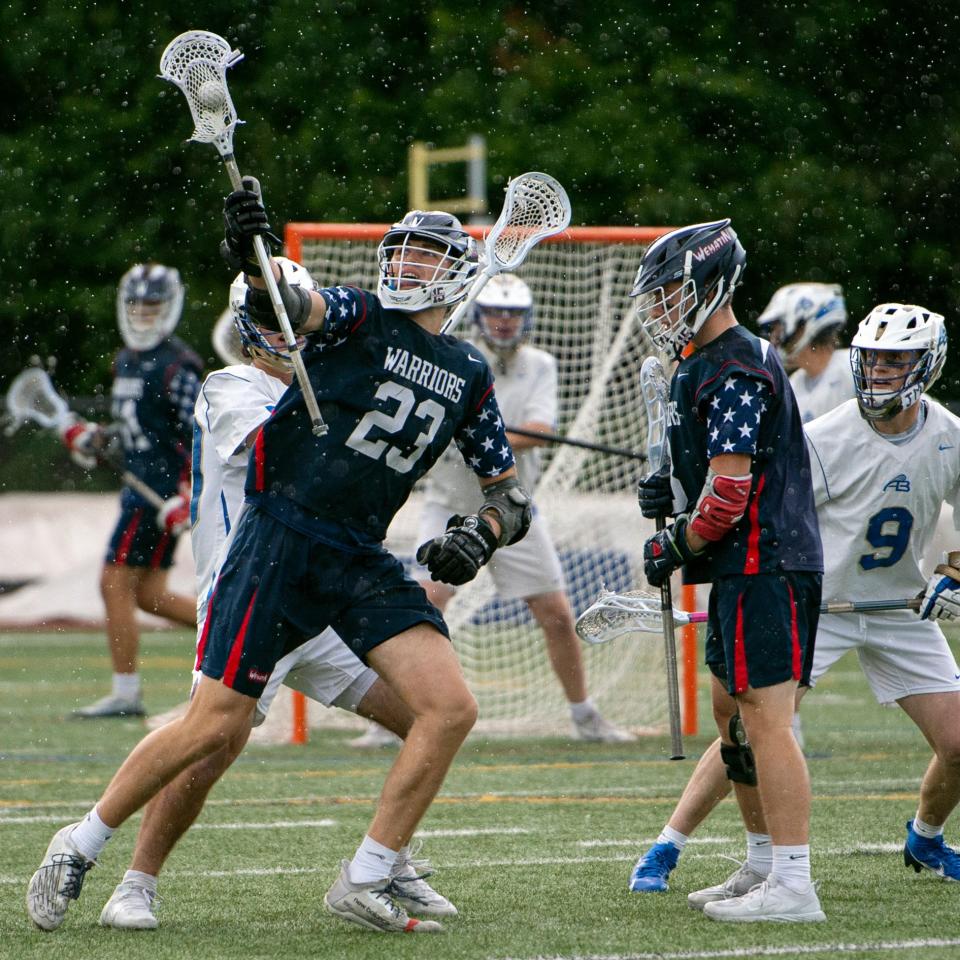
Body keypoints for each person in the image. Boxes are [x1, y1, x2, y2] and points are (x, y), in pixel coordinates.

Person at [27, 190, 532, 935]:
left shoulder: (465, 369)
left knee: (446, 708)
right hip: (274, 550)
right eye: (400, 249)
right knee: (214, 730)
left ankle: (372, 870)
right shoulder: (349, 325)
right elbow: (298, 305)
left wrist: (481, 534)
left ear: (455, 273)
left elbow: (509, 495)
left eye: (423, 254)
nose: (404, 264)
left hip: (355, 556)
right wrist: (257, 264)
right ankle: (83, 845)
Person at [98, 260, 454, 930]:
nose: (285, 333)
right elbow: (289, 455)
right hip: (251, 595)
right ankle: (134, 882)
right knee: (210, 748)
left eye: (292, 319)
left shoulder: (331, 382)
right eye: (272, 321)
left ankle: (385, 863)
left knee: (421, 718)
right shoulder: (232, 386)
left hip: (320, 602)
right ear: (249, 327)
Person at [629, 302, 960, 905]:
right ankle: (669, 843)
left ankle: (927, 837)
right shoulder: (826, 436)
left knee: (959, 745)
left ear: (928, 364)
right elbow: (763, 506)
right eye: (874, 358)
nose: (883, 371)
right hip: (819, 605)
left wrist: (955, 571)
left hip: (896, 611)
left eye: (897, 359)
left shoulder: (950, 437)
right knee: (753, 724)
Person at [631, 219, 826, 922]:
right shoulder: (703, 361)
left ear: (709, 286)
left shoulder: (736, 364)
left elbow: (731, 494)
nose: (657, 308)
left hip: (765, 562)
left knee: (766, 721)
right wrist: (668, 497)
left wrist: (673, 544)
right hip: (747, 564)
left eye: (670, 293)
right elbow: (706, 481)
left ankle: (795, 885)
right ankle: (763, 862)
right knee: (732, 716)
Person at [352, 274, 633, 748]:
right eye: (496, 313)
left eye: (514, 313)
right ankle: (391, 716)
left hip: (511, 509)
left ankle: (584, 714)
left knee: (557, 614)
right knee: (421, 608)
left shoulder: (540, 365)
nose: (505, 322)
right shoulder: (455, 358)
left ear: (528, 318)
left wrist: (477, 431)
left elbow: (540, 428)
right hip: (447, 506)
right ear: (479, 316)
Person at [61, 263, 201, 718]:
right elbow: (136, 427)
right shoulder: (126, 359)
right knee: (151, 595)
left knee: (113, 582)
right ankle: (239, 637)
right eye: (137, 305)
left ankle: (126, 692)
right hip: (138, 488)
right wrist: (97, 438)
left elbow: (202, 433)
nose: (143, 314)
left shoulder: (178, 365)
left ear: (170, 307)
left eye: (153, 305)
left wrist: (188, 490)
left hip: (158, 494)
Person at [757, 282, 854, 423]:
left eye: (779, 327)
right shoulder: (794, 385)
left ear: (803, 324)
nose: (774, 337)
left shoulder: (853, 369)